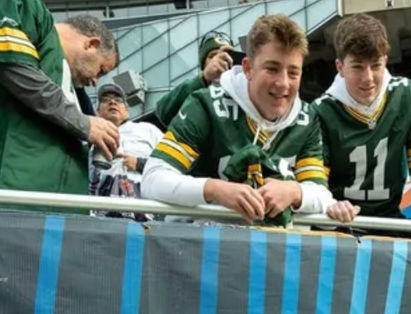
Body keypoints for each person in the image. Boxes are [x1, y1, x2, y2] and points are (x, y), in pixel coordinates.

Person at [139, 14, 333, 224]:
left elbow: (322, 194)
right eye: (272, 69)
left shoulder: (306, 118)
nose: (283, 83)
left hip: (272, 240)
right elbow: (152, 179)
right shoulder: (206, 104)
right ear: (248, 68)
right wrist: (215, 189)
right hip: (202, 237)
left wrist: (294, 191)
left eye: (293, 72)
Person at [0, 8, 119, 195]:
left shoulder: (67, 79)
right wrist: (83, 123)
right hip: (9, 196)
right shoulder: (29, 11)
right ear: (91, 44)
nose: (95, 81)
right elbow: (10, 61)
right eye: (101, 70)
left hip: (40, 201)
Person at [314, 14, 411, 231]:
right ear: (340, 67)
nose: (368, 78)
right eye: (357, 67)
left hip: (390, 222)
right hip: (339, 226)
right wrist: (329, 205)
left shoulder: (405, 94)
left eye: (376, 65)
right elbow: (314, 182)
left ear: (386, 60)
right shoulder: (321, 111)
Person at [88, 82, 162, 205]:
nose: (112, 102)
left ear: (127, 110)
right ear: (98, 112)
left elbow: (171, 165)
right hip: (106, 208)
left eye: (118, 100)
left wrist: (139, 164)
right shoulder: (95, 144)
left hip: (147, 207)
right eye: (105, 100)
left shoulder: (148, 130)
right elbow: (91, 184)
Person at [154, 31, 242, 129]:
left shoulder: (240, 93)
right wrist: (204, 78)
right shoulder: (192, 88)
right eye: (212, 56)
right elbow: (163, 112)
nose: (218, 61)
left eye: (224, 57)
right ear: (204, 65)